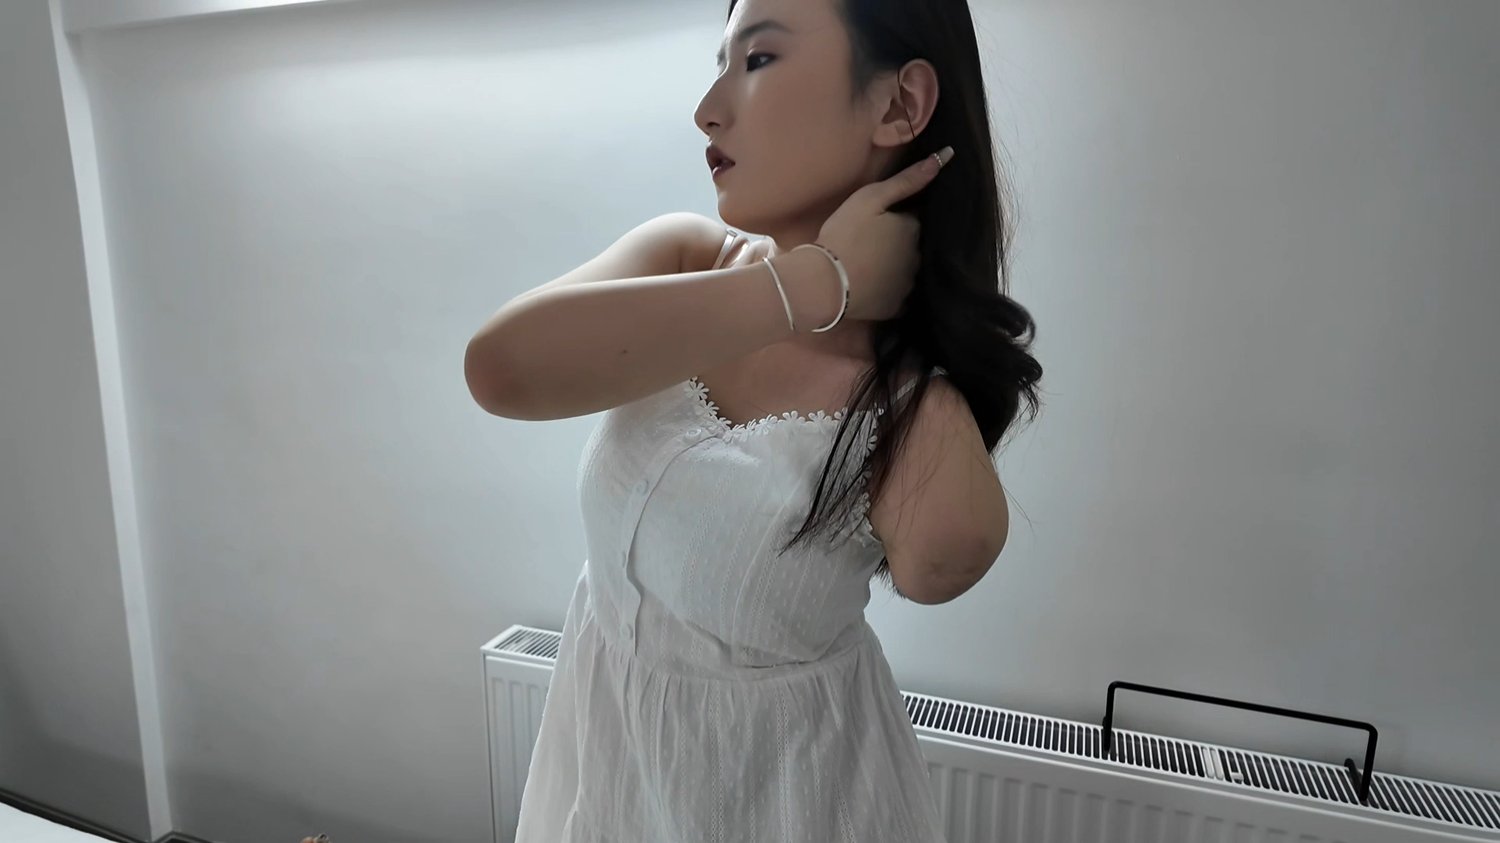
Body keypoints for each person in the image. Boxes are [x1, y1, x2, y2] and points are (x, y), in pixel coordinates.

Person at [465, 0, 1042, 838]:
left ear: (899, 105)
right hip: (610, 788)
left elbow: (948, 555)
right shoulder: (684, 254)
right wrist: (814, 284)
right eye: (721, 63)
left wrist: (907, 344)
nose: (708, 108)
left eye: (759, 60)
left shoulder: (906, 404)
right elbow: (500, 367)